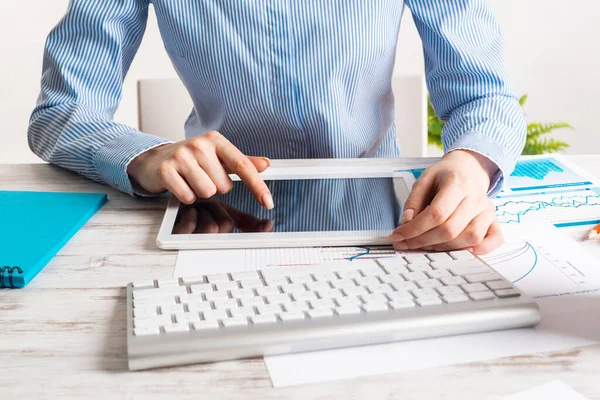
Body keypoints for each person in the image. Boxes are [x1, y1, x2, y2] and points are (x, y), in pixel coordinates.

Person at [28, 1, 526, 255]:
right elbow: (61, 112)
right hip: (213, 224)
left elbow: (483, 94)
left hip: (383, 229)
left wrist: (472, 162)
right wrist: (143, 154)